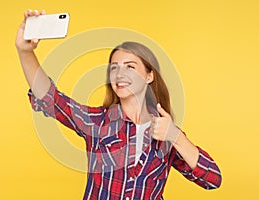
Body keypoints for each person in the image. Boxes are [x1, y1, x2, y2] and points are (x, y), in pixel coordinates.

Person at [15, 9, 222, 200]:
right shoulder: (97, 122)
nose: (120, 74)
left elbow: (212, 179)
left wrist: (175, 136)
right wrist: (25, 52)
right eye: (114, 68)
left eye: (130, 67)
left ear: (149, 76)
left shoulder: (165, 131)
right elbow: (51, 99)